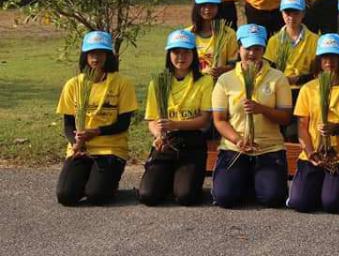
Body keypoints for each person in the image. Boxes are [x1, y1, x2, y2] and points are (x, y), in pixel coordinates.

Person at [211, 24, 292, 208]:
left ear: (264, 49)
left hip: (268, 147)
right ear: (239, 48)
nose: (252, 54)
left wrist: (262, 109)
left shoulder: (278, 78)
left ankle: (253, 179)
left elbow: (286, 118)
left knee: (272, 198)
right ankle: (245, 178)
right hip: (235, 148)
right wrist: (238, 140)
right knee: (225, 198)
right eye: (247, 48)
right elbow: (219, 120)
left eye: (257, 48)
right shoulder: (225, 80)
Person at [288, 33, 339, 213]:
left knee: (333, 204)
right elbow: (302, 126)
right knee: (300, 203)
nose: (329, 62)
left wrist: (338, 128)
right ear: (318, 60)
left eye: (334, 56)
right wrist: (310, 153)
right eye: (324, 57)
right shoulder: (308, 88)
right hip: (314, 155)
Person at [56, 31, 138, 206]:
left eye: (101, 53)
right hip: (81, 148)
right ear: (85, 55)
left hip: (110, 149)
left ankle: (107, 183)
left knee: (96, 196)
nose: (95, 58)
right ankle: (86, 179)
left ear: (108, 56)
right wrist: (76, 142)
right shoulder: (73, 85)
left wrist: (97, 132)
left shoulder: (122, 83)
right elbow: (68, 124)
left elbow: (123, 124)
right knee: (65, 196)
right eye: (91, 53)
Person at [138, 29, 214, 206]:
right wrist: (159, 135)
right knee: (148, 196)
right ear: (169, 54)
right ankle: (166, 178)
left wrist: (174, 124)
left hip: (192, 142)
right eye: (176, 52)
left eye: (186, 52)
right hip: (166, 142)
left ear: (194, 54)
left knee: (185, 196)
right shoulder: (158, 82)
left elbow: (204, 121)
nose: (181, 57)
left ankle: (182, 180)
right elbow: (152, 120)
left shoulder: (204, 81)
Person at [263, 0, 319, 141]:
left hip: (305, 91)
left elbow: (317, 72)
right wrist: (281, 79)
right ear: (282, 14)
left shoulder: (315, 40)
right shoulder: (274, 41)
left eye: (296, 13)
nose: (291, 17)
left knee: (297, 133)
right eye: (287, 13)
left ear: (303, 14)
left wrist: (297, 79)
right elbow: (268, 69)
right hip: (280, 92)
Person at [189, 0, 238, 79]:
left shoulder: (229, 34)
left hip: (220, 84)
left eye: (212, 5)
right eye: (203, 5)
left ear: (219, 7)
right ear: (196, 7)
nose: (207, 9)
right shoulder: (188, 34)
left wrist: (222, 70)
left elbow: (235, 65)